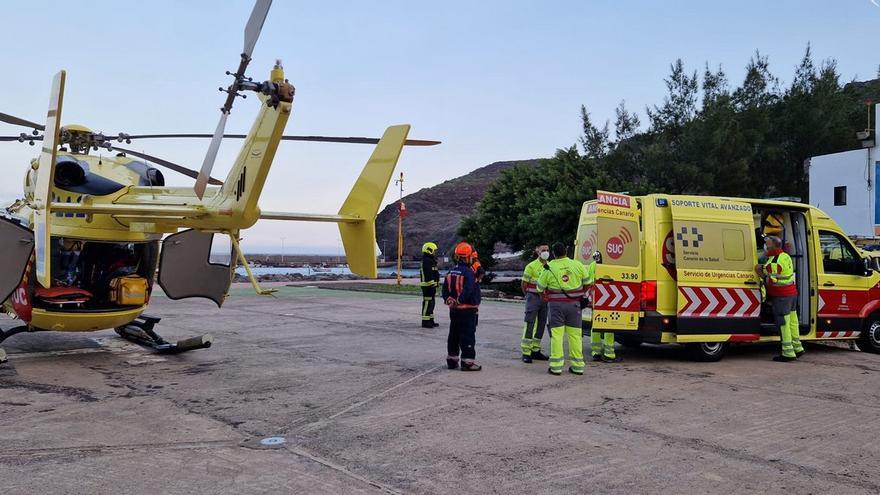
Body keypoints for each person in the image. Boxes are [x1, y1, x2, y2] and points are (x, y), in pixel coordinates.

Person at [536, 242, 589, 375]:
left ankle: (556, 367)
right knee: (575, 336)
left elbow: (539, 288)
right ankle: (578, 367)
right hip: (575, 306)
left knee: (557, 336)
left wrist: (545, 296)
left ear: (553, 253)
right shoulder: (577, 265)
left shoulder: (549, 267)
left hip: (556, 307)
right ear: (566, 251)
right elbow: (588, 283)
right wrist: (580, 294)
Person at [756, 235, 804, 362]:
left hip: (782, 297)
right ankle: (797, 348)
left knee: (783, 324)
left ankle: (787, 353)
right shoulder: (785, 256)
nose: (766, 247)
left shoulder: (773, 262)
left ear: (774, 246)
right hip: (792, 295)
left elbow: (763, 274)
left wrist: (758, 268)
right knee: (793, 322)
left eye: (768, 245)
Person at [442, 242, 482, 371]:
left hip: (454, 310)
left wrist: (449, 300)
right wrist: (460, 300)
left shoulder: (451, 271)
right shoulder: (468, 272)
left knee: (453, 334)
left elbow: (444, 290)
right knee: (468, 335)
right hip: (467, 309)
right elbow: (469, 289)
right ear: (468, 256)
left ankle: (452, 360)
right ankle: (467, 362)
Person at [584, 251, 617, 362]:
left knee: (596, 325)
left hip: (597, 300)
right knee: (608, 326)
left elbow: (588, 282)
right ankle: (609, 353)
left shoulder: (592, 266)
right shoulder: (610, 265)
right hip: (608, 300)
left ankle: (596, 352)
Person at [520, 245, 551, 363]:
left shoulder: (550, 265)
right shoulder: (531, 266)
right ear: (537, 251)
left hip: (545, 298)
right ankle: (526, 352)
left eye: (547, 250)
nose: (546, 252)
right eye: (543, 250)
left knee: (542, 324)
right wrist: (527, 295)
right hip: (533, 297)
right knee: (530, 323)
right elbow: (524, 283)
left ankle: (535, 350)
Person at [420, 242, 440, 328]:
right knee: (428, 303)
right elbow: (428, 274)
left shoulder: (430, 260)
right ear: (429, 250)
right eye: (434, 250)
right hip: (428, 286)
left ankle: (430, 320)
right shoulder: (426, 261)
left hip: (431, 285)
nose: (435, 252)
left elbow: (435, 273)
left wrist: (436, 283)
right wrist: (432, 284)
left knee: (431, 303)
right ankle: (425, 321)